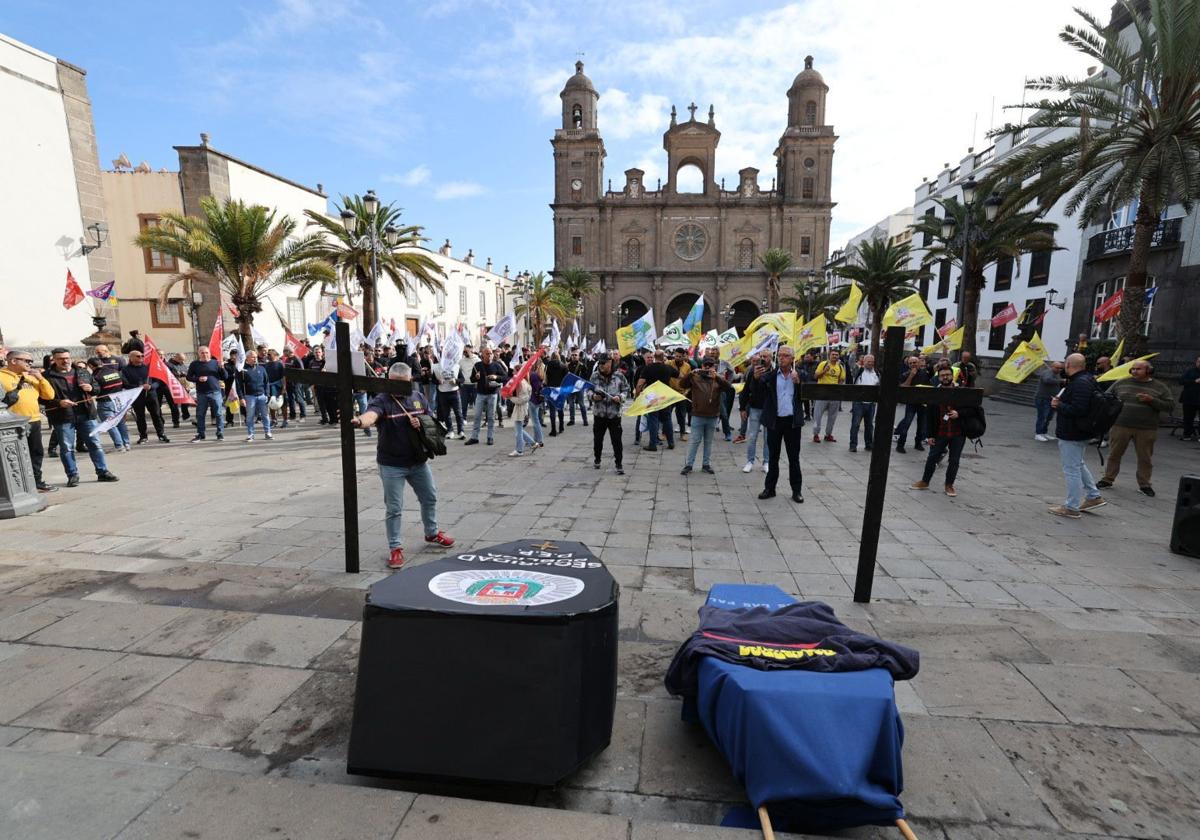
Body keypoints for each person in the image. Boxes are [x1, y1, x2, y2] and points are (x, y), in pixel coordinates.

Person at [351, 362, 454, 570]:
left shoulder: (418, 397)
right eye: (396, 384)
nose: (400, 389)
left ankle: (432, 532)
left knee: (430, 497)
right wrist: (360, 421)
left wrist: (421, 422)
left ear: (410, 381)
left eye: (404, 384)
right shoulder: (382, 400)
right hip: (392, 464)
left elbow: (431, 420)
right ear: (389, 381)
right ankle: (395, 547)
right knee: (394, 508)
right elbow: (372, 415)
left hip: (418, 460)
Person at [42, 348, 119, 487]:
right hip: (63, 416)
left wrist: (91, 388)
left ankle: (102, 472)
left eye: (67, 358)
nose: (65, 361)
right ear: (54, 360)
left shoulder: (81, 371)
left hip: (86, 413)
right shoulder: (47, 376)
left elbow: (97, 388)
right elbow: (41, 398)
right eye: (61, 358)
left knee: (95, 444)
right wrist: (59, 402)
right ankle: (72, 475)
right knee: (67, 448)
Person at [1097, 359, 1175, 496]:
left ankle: (1145, 484)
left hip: (1146, 428)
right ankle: (1107, 479)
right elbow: (1107, 397)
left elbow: (1170, 406)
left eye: (1138, 369)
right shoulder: (1122, 382)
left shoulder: (1160, 387)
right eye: (1133, 369)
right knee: (1114, 454)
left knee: (1145, 457)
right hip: (1120, 424)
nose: (1134, 371)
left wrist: (1152, 400)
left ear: (1148, 371)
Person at [1048, 353, 1107, 518]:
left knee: (1071, 469)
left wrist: (1058, 405)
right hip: (1079, 431)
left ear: (1068, 365)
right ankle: (1093, 496)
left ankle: (1071, 506)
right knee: (1078, 464)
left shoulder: (1080, 383)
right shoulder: (1087, 380)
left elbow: (1078, 409)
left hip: (1072, 432)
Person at [0, 349, 57, 491]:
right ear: (13, 361)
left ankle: (36, 481)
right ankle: (16, 484)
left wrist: (41, 378)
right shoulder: (1, 376)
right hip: (12, 424)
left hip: (34, 420)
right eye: (27, 361)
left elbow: (49, 395)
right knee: (14, 455)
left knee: (36, 453)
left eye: (31, 361)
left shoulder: (31, 377)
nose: (30, 364)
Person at [755, 345, 804, 503]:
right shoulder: (770, 376)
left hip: (792, 423)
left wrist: (800, 382)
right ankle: (770, 488)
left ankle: (796, 491)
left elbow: (810, 390)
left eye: (785, 356)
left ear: (792, 359)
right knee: (773, 457)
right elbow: (756, 389)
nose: (781, 358)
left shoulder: (799, 374)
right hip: (775, 422)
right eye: (780, 355)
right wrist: (755, 378)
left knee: (793, 458)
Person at [910, 366, 967, 497]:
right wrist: (929, 435)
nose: (945, 377)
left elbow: (972, 410)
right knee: (932, 458)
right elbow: (929, 416)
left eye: (948, 374)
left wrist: (959, 413)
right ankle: (925, 481)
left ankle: (949, 485)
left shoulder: (961, 392)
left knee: (954, 460)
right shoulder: (934, 393)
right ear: (938, 377)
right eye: (942, 375)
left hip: (958, 432)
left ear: (953, 376)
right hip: (940, 432)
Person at [680, 354, 733, 476]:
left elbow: (728, 388)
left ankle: (706, 464)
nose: (707, 367)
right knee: (694, 441)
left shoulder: (717, 379)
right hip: (698, 415)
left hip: (712, 415)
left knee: (708, 442)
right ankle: (689, 464)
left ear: (714, 366)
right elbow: (682, 384)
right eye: (706, 365)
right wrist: (691, 373)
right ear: (702, 365)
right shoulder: (695, 377)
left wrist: (718, 377)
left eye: (710, 365)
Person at [589, 355, 628, 475]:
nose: (601, 365)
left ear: (610, 363)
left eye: (604, 363)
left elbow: (626, 389)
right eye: (600, 363)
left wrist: (620, 397)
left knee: (616, 441)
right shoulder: (595, 376)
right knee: (598, 440)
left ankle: (619, 463)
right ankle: (597, 458)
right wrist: (593, 397)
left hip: (614, 414)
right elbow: (589, 390)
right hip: (599, 414)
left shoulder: (619, 375)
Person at [121, 350, 170, 444]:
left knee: (157, 415)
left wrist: (151, 386)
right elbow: (125, 384)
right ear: (131, 358)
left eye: (142, 356)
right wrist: (138, 387)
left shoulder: (149, 368)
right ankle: (143, 436)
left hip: (151, 395)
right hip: (137, 396)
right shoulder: (125, 370)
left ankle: (161, 434)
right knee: (140, 417)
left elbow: (158, 381)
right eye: (138, 356)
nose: (141, 358)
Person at [635, 350, 677, 452]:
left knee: (653, 419)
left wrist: (637, 396)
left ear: (654, 357)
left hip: (652, 397)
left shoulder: (648, 368)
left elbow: (640, 384)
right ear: (663, 357)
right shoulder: (667, 368)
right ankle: (671, 442)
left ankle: (652, 444)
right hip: (664, 397)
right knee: (667, 419)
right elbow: (679, 375)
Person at [89, 352, 132, 452]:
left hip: (105, 403)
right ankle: (126, 443)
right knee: (121, 423)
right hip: (118, 401)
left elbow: (95, 391)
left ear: (91, 366)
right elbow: (125, 384)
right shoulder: (115, 371)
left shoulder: (96, 376)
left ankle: (119, 445)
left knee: (110, 424)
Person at [738, 350, 772, 473]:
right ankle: (750, 461)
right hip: (755, 407)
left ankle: (766, 461)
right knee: (752, 436)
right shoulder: (753, 371)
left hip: (769, 409)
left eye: (765, 356)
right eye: (761, 356)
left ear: (771, 358)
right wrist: (742, 408)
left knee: (768, 438)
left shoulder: (775, 371)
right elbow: (746, 390)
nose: (762, 359)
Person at [465, 347, 506, 445]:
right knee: (477, 416)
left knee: (491, 416)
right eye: (487, 353)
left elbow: (505, 377)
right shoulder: (477, 365)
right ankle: (474, 437)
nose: (490, 355)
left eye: (491, 353)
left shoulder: (496, 365)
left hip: (492, 394)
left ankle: (490, 437)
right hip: (480, 394)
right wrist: (476, 377)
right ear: (482, 355)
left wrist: (496, 377)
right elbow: (471, 379)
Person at [186, 346, 226, 442]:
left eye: (206, 352)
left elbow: (225, 376)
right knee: (200, 414)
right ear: (198, 354)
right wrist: (198, 379)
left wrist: (222, 367)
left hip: (215, 392)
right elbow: (188, 377)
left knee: (218, 414)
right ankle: (201, 434)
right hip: (201, 393)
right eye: (202, 353)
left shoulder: (215, 363)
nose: (205, 354)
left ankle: (220, 433)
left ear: (210, 353)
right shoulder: (194, 364)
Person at [894, 355, 930, 453]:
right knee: (907, 423)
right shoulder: (905, 374)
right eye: (911, 363)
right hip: (911, 403)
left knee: (921, 425)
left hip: (923, 403)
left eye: (915, 362)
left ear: (918, 363)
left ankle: (918, 443)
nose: (913, 364)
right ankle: (900, 445)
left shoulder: (925, 373)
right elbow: (904, 387)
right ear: (908, 365)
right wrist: (911, 376)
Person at [811, 348, 845, 443]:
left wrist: (838, 389)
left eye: (836, 355)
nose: (834, 356)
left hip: (834, 395)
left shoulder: (841, 367)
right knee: (818, 415)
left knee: (832, 416)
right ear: (829, 355)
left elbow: (841, 380)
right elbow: (815, 376)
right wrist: (824, 371)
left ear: (838, 356)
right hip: (822, 394)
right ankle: (816, 434)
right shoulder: (823, 364)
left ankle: (828, 434)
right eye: (833, 354)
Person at [237, 351, 272, 442]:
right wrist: (241, 398)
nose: (255, 358)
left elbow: (266, 382)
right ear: (247, 358)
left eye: (255, 357)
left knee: (265, 415)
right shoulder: (243, 370)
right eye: (252, 357)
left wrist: (267, 394)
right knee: (250, 416)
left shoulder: (262, 368)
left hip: (262, 395)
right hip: (249, 396)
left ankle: (268, 433)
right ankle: (250, 434)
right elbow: (239, 385)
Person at [849, 354, 879, 453]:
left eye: (872, 362)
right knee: (855, 424)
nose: (870, 363)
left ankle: (869, 445)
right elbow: (851, 363)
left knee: (869, 425)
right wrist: (853, 353)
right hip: (859, 403)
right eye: (868, 361)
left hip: (871, 404)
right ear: (864, 362)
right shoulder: (859, 370)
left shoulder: (877, 373)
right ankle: (853, 445)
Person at [507, 375, 543, 456]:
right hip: (522, 408)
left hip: (520, 409)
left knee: (518, 431)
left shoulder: (522, 383)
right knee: (518, 429)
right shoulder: (524, 382)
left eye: (514, 371)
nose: (513, 373)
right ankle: (533, 444)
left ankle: (519, 450)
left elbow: (521, 400)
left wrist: (510, 397)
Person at [432, 355, 465, 440]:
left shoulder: (456, 366)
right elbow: (433, 380)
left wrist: (456, 381)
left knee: (458, 413)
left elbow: (462, 379)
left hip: (454, 392)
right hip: (443, 392)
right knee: (446, 414)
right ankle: (450, 431)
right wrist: (438, 381)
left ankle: (461, 431)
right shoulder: (436, 367)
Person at [1033, 361, 1064, 442]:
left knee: (1049, 417)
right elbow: (1047, 380)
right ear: (1052, 366)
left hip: (1051, 399)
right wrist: (1061, 380)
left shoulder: (1056, 373)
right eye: (1057, 368)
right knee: (1042, 416)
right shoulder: (1047, 372)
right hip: (1043, 398)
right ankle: (1038, 433)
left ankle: (1044, 432)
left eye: (1060, 368)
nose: (1059, 370)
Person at [669, 348, 692, 439]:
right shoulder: (669, 363)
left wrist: (686, 393)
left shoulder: (687, 366)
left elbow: (689, 381)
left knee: (681, 415)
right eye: (676, 356)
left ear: (684, 357)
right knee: (667, 414)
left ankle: (682, 434)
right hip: (670, 393)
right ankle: (664, 433)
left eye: (679, 356)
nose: (677, 358)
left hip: (681, 394)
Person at [566, 350, 590, 427]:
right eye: (572, 355)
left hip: (579, 387)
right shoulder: (567, 365)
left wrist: (581, 381)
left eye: (575, 355)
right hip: (570, 387)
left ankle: (585, 420)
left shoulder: (582, 366)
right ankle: (572, 420)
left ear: (578, 356)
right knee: (571, 404)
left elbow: (586, 376)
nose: (574, 356)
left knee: (581, 404)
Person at [1180, 356, 1200, 441]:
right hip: (1189, 399)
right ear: (1196, 362)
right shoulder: (1190, 371)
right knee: (1188, 418)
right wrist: (1195, 381)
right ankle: (1187, 434)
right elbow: (1181, 381)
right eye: (1199, 361)